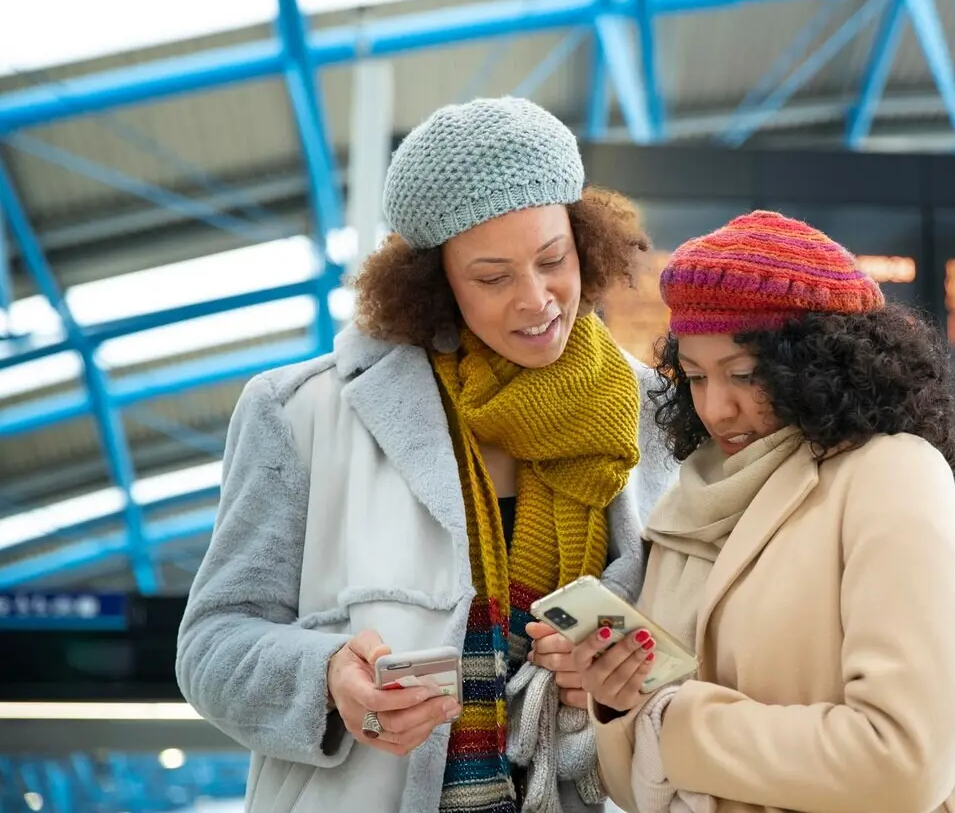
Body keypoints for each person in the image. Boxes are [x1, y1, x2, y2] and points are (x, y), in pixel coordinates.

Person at [176, 97, 677, 813]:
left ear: (585, 240)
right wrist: (326, 681)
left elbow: (693, 648)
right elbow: (210, 648)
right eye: (493, 277)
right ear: (436, 283)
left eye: (552, 259)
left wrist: (625, 679)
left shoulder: (653, 414)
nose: (537, 300)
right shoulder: (304, 412)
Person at [569, 210, 955, 812]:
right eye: (693, 377)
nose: (716, 409)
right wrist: (619, 705)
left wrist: (672, 725)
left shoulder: (890, 474)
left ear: (820, 365)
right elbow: (637, 788)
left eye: (743, 375)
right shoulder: (685, 502)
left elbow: (902, 762)